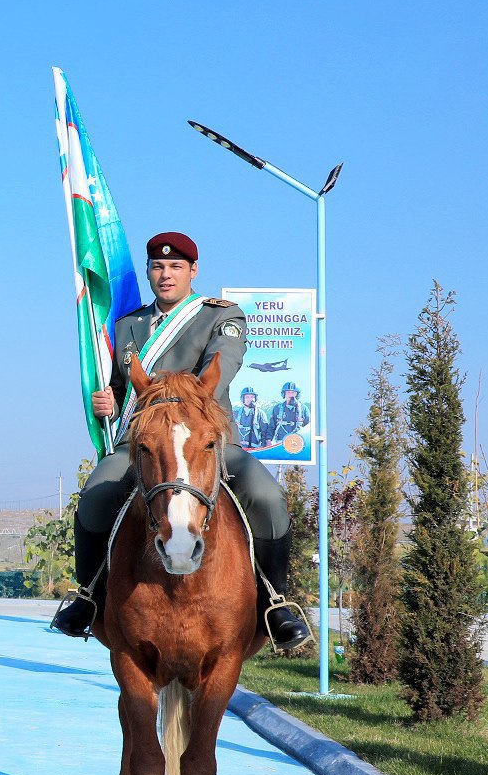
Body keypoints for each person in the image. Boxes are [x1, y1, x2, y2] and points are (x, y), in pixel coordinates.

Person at [50, 232, 310, 651]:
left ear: (193, 271)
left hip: (207, 439)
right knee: (95, 494)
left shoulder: (220, 316)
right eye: (157, 266)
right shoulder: (128, 325)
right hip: (145, 442)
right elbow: (120, 386)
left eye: (175, 267)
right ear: (149, 272)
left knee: (267, 496)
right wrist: (109, 400)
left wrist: (180, 404)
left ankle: (275, 603)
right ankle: (88, 596)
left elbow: (220, 368)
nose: (165, 274)